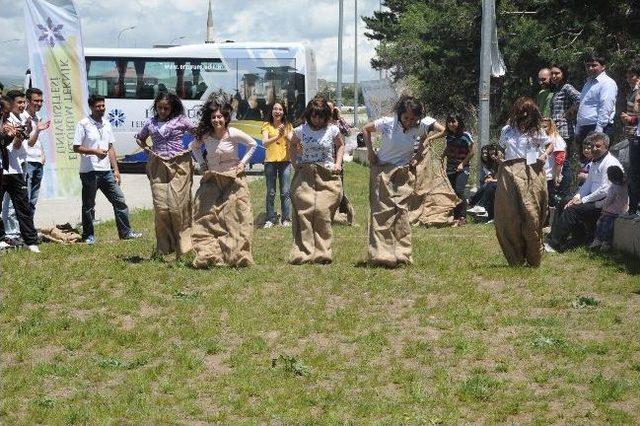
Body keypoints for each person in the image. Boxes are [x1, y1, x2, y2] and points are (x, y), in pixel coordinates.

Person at [361, 95, 431, 267]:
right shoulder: (387, 123)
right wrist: (370, 152)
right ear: (399, 115)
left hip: (403, 172)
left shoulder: (418, 127)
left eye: (413, 118)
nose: (409, 121)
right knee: (382, 212)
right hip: (383, 169)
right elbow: (366, 129)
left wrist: (418, 155)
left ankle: (402, 253)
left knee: (401, 212)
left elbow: (430, 134)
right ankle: (381, 253)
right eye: (406, 118)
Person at [190, 99, 257, 268]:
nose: (216, 120)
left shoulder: (232, 133)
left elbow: (253, 144)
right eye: (213, 117)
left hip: (232, 179)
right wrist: (202, 164)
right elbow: (194, 147)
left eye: (219, 117)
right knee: (207, 217)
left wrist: (243, 163)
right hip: (212, 179)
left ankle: (236, 254)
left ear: (226, 118)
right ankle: (211, 253)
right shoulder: (205, 136)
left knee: (235, 216)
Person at [73, 95, 142, 244]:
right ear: (91, 107)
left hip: (106, 172)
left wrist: (116, 169)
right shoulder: (83, 124)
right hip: (89, 172)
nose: (101, 109)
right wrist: (94, 151)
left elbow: (110, 148)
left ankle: (126, 233)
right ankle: (88, 236)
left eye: (103, 106)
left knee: (119, 200)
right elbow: (76, 147)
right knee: (89, 205)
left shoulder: (107, 124)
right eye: (98, 106)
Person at [135, 92, 196, 258]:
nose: (162, 111)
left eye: (166, 108)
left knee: (178, 207)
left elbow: (198, 133)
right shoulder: (150, 123)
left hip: (179, 165)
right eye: (159, 108)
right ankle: (164, 248)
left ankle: (184, 246)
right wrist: (148, 151)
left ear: (172, 107)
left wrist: (190, 147)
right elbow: (140, 138)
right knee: (161, 208)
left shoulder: (181, 120)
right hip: (157, 166)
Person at [288, 96, 344, 264]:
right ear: (309, 115)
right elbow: (291, 144)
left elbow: (340, 145)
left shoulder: (332, 130)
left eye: (320, 116)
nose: (317, 119)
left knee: (321, 211)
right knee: (304, 213)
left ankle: (322, 252)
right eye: (314, 116)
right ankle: (303, 251)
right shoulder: (300, 130)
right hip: (306, 174)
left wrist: (337, 163)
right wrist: (295, 163)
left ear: (326, 116)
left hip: (326, 174)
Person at [494, 97, 549, 267]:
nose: (523, 116)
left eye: (527, 112)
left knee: (531, 215)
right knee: (510, 216)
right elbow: (501, 148)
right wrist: (498, 158)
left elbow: (549, 145)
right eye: (520, 112)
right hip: (510, 173)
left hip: (531, 173)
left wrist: (544, 154)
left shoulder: (537, 130)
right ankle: (515, 258)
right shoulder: (507, 130)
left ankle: (534, 257)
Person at [546, 132, 623, 252]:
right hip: (593, 199)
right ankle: (558, 236)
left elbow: (605, 190)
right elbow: (588, 184)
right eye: (592, 146)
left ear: (606, 146)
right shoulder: (594, 162)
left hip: (604, 204)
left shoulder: (610, 163)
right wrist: (577, 196)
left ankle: (555, 244)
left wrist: (583, 200)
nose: (594, 148)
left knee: (572, 209)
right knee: (564, 202)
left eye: (598, 146)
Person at [0, 90, 42, 252]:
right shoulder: (6, 120)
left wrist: (22, 133)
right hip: (3, 169)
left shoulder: (21, 119)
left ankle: (31, 241)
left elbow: (20, 144)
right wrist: (11, 135)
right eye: (19, 103)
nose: (23, 105)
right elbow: (6, 143)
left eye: (24, 102)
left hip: (15, 169)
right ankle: (3, 237)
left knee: (23, 205)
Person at [549, 64, 580, 195]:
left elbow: (580, 99)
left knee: (564, 162)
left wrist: (569, 112)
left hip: (565, 130)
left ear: (563, 74)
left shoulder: (567, 87)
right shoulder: (557, 89)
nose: (554, 76)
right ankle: (557, 191)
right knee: (557, 161)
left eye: (557, 73)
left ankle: (564, 194)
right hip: (555, 131)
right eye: (552, 74)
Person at [261, 100, 293, 228]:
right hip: (270, 162)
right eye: (275, 109)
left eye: (280, 109)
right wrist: (277, 136)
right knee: (271, 192)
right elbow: (265, 142)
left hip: (285, 162)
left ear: (283, 112)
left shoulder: (288, 125)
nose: (277, 111)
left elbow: (292, 139)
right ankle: (270, 218)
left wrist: (284, 133)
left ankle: (286, 218)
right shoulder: (266, 125)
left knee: (285, 192)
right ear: (272, 111)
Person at [575, 53, 618, 149]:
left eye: (594, 65)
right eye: (588, 66)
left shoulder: (607, 83)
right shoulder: (588, 84)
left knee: (598, 160)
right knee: (585, 162)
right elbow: (583, 106)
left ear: (603, 67)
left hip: (598, 127)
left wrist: (599, 130)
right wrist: (578, 129)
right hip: (584, 127)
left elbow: (606, 107)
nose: (590, 68)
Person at [440, 114, 474, 225]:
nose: (451, 124)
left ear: (458, 122)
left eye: (453, 121)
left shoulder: (465, 135)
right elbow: (448, 147)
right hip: (450, 167)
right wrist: (442, 156)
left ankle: (463, 216)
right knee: (453, 192)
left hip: (462, 168)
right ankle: (455, 216)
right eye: (449, 122)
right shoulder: (449, 136)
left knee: (459, 190)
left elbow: (472, 152)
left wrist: (462, 164)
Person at [327, 100, 355, 225]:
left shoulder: (337, 122)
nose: (328, 110)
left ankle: (342, 214)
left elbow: (348, 132)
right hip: (324, 161)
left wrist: (339, 117)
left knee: (339, 188)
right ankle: (328, 214)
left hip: (337, 161)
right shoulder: (319, 121)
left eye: (331, 108)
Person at [589, 165, 628, 251]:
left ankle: (602, 241)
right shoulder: (626, 184)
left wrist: (600, 205)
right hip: (621, 210)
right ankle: (601, 241)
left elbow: (609, 199)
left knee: (602, 224)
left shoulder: (614, 187)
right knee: (604, 224)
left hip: (611, 211)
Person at [22, 88, 48, 212]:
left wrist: (43, 154)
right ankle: (22, 229)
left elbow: (37, 141)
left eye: (41, 101)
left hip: (38, 161)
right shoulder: (22, 117)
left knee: (33, 199)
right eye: (36, 101)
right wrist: (37, 130)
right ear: (28, 101)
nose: (39, 104)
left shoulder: (38, 117)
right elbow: (28, 142)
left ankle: (29, 228)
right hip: (27, 161)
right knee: (24, 198)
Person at [467, 144, 502, 221]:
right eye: (491, 154)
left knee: (489, 185)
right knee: (488, 185)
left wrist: (492, 180)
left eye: (494, 154)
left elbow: (504, 179)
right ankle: (479, 208)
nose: (492, 156)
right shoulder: (492, 164)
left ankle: (475, 203)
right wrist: (491, 179)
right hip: (495, 184)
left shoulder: (503, 163)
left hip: (504, 184)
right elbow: (492, 176)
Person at [541, 118, 566, 207]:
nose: (542, 129)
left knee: (550, 203)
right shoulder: (540, 137)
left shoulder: (555, 138)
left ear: (551, 126)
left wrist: (556, 176)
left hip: (550, 177)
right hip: (540, 175)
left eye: (545, 127)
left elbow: (559, 159)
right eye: (541, 127)